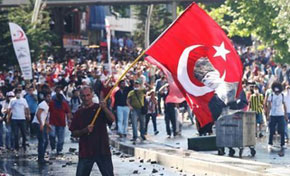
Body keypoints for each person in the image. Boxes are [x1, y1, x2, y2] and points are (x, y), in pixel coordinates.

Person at [69, 86, 115, 176]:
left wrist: (105, 108)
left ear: (92, 95)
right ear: (80, 97)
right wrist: (85, 130)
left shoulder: (100, 109)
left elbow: (112, 119)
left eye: (88, 95)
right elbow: (73, 133)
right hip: (86, 151)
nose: (86, 98)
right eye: (83, 96)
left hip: (102, 149)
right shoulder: (79, 113)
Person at [49, 86, 72, 155]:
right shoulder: (52, 103)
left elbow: (67, 112)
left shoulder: (64, 104)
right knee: (52, 135)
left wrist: (69, 121)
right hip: (52, 122)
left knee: (61, 139)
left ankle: (59, 150)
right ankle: (53, 147)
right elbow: (47, 112)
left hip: (61, 123)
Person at [266, 82, 287, 149]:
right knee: (271, 130)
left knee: (282, 130)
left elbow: (284, 105)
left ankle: (282, 144)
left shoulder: (282, 95)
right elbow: (269, 105)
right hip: (273, 114)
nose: (277, 92)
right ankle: (270, 143)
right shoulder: (271, 95)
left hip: (280, 114)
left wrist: (285, 114)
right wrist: (268, 114)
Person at [32, 91, 51, 164]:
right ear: (45, 97)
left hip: (41, 123)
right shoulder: (43, 104)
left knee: (45, 141)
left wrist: (47, 125)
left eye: (50, 96)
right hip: (37, 123)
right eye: (48, 97)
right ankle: (41, 158)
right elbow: (38, 114)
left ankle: (41, 157)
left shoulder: (46, 105)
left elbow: (44, 117)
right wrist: (41, 124)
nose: (49, 98)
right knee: (42, 141)